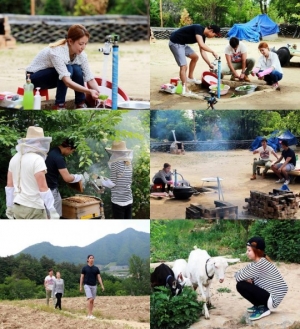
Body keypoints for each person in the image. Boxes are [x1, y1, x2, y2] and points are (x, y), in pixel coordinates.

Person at [26, 24, 100, 109]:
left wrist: (99, 92)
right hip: (33, 78)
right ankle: (59, 105)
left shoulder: (81, 55)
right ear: (70, 41)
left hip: (55, 75)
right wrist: (89, 91)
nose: (83, 47)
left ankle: (80, 103)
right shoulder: (57, 52)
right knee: (68, 68)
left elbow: (90, 78)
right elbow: (67, 81)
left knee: (76, 69)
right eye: (81, 44)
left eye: (85, 44)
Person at [5, 126, 59, 219]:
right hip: (34, 209)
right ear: (38, 141)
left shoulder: (14, 158)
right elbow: (43, 188)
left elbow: (9, 185)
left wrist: (9, 206)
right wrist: (52, 209)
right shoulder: (37, 159)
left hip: (17, 207)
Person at [235, 237, 288, 321]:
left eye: (249, 250)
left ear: (257, 251)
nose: (246, 253)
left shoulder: (260, 264)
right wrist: (246, 278)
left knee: (241, 285)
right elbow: (237, 274)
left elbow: (238, 277)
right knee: (243, 283)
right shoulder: (257, 263)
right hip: (268, 295)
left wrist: (245, 278)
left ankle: (264, 308)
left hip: (272, 299)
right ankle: (259, 305)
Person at [169, 24, 220, 92]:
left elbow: (202, 51)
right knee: (183, 66)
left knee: (195, 57)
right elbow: (202, 45)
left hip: (182, 44)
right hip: (175, 43)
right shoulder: (198, 28)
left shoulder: (203, 36)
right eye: (214, 35)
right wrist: (213, 51)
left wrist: (209, 64)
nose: (213, 37)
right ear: (211, 31)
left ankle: (190, 77)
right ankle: (185, 88)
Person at [45, 138, 83, 218]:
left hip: (43, 189)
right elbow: (67, 178)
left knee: (46, 215)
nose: (70, 153)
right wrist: (77, 177)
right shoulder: (58, 157)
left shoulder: (51, 151)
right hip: (51, 191)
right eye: (72, 151)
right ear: (68, 148)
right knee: (54, 216)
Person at [105, 141, 133, 219]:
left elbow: (112, 183)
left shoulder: (115, 164)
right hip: (128, 199)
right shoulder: (129, 163)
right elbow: (123, 180)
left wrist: (103, 182)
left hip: (118, 201)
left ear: (115, 152)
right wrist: (108, 180)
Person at [80, 255, 105, 319]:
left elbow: (99, 277)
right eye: (90, 258)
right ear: (88, 259)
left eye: (93, 258)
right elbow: (82, 277)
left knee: (92, 300)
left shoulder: (96, 268)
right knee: (90, 299)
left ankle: (90, 314)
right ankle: (89, 314)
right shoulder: (84, 268)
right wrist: (80, 286)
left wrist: (102, 285)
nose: (92, 259)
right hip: (87, 285)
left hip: (94, 285)